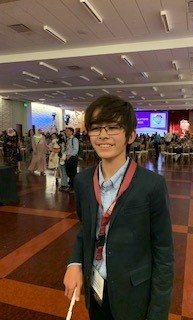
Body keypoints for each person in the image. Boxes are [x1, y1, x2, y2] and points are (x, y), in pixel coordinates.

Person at [63, 95, 174, 320]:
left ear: (130, 135)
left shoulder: (151, 185)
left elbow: (163, 254)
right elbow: (86, 229)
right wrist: (74, 262)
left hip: (134, 296)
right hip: (96, 293)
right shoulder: (84, 182)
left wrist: (157, 314)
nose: (103, 135)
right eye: (96, 128)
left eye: (113, 127)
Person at [64, 127, 79, 192]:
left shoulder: (74, 139)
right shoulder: (67, 139)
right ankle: (70, 186)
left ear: (71, 132)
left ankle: (74, 188)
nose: (66, 132)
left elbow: (76, 149)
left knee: (73, 173)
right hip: (67, 157)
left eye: (67, 131)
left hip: (72, 158)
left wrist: (70, 155)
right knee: (68, 172)